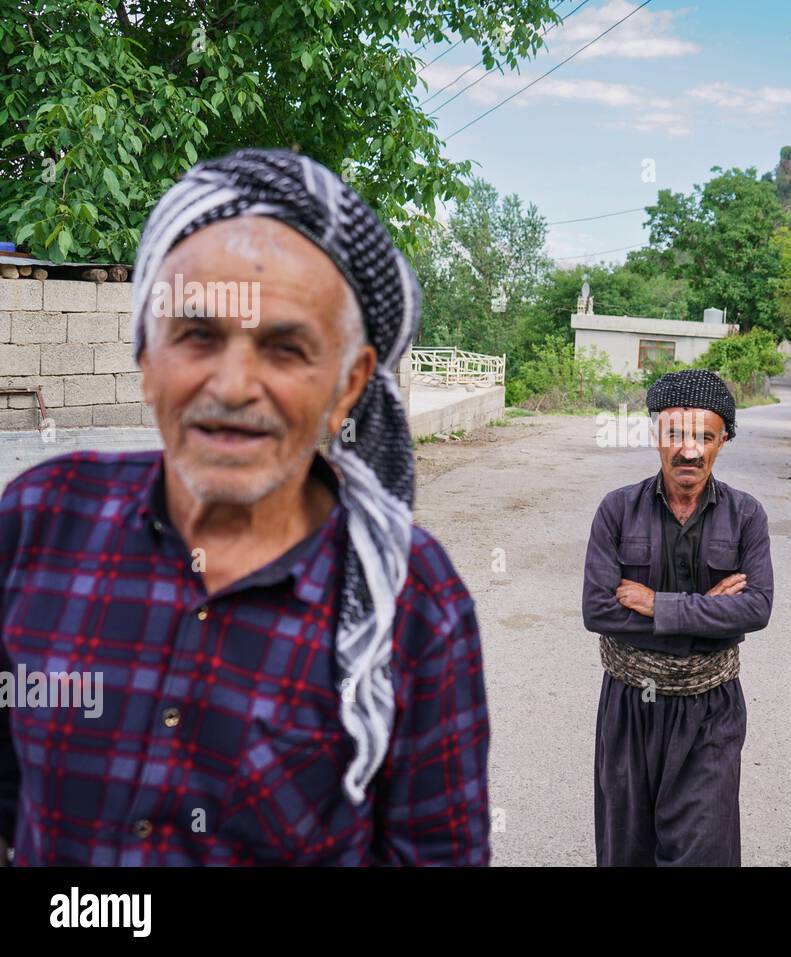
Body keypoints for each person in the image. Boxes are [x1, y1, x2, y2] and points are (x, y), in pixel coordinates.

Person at [0, 149, 489, 865]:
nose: (232, 386)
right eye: (197, 335)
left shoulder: (416, 603)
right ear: (146, 354)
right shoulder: (36, 521)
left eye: (286, 348)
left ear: (349, 385)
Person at [582, 370, 774, 865]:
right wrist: (712, 609)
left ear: (722, 441)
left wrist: (657, 603)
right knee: (628, 850)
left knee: (703, 850)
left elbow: (755, 608)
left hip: (710, 709)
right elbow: (598, 609)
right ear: (656, 437)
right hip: (629, 709)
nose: (689, 452)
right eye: (676, 436)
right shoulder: (616, 511)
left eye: (704, 438)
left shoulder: (747, 515)